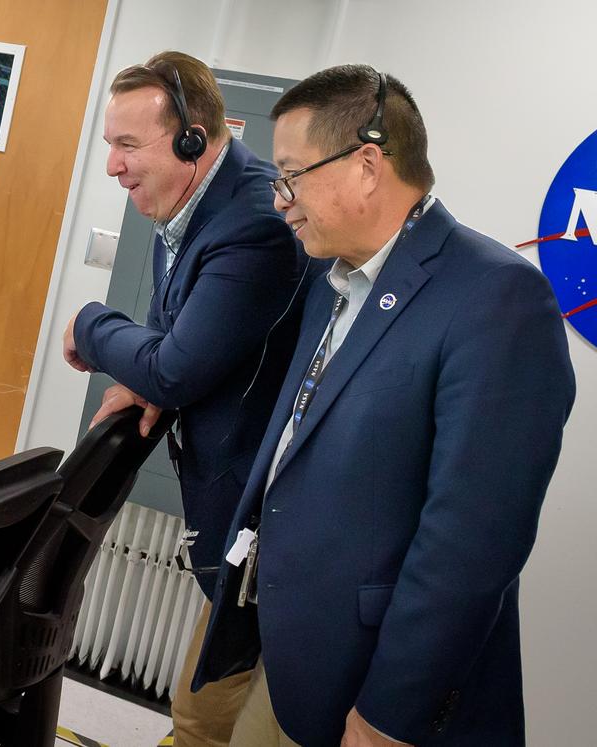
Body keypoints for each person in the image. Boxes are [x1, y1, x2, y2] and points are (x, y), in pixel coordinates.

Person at [193, 65, 575, 747]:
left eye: (292, 175)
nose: (280, 199)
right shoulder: (331, 279)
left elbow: (471, 547)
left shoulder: (497, 299)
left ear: (367, 164)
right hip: (292, 648)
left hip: (378, 690)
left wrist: (389, 717)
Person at [61, 51, 306, 745]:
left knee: (219, 717)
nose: (113, 165)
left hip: (272, 525)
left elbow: (174, 365)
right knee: (198, 710)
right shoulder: (190, 203)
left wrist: (90, 322)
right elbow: (178, 340)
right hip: (235, 522)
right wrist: (152, 372)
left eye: (127, 145)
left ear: (193, 138)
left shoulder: (254, 219)